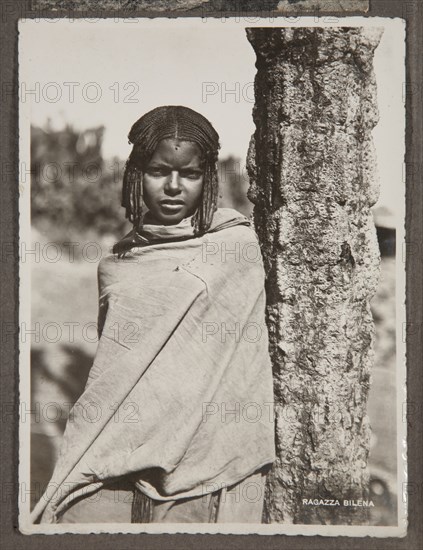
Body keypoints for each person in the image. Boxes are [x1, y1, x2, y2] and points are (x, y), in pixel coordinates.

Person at [31, 105, 275, 525]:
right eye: (159, 171)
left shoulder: (235, 251)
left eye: (191, 174)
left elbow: (241, 368)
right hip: (117, 451)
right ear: (135, 174)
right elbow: (118, 370)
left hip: (203, 464)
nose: (174, 186)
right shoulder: (119, 263)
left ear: (209, 178)